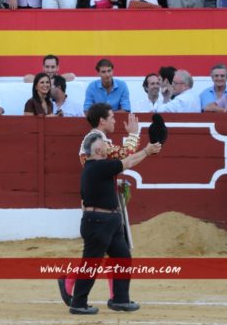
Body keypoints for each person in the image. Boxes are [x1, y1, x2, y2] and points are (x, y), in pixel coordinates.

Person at [69, 132, 161, 314]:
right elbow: (127, 162)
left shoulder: (98, 166)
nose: (107, 145)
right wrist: (146, 151)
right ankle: (78, 303)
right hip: (98, 221)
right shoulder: (96, 166)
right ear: (97, 149)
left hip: (109, 220)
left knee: (122, 257)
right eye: (104, 143)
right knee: (91, 263)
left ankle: (120, 299)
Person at [58, 102, 140, 306]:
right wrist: (134, 135)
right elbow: (124, 155)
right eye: (112, 117)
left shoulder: (97, 138)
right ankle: (70, 282)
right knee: (97, 254)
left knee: (114, 252)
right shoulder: (96, 139)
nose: (114, 120)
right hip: (99, 206)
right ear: (102, 120)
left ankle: (116, 296)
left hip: (101, 198)